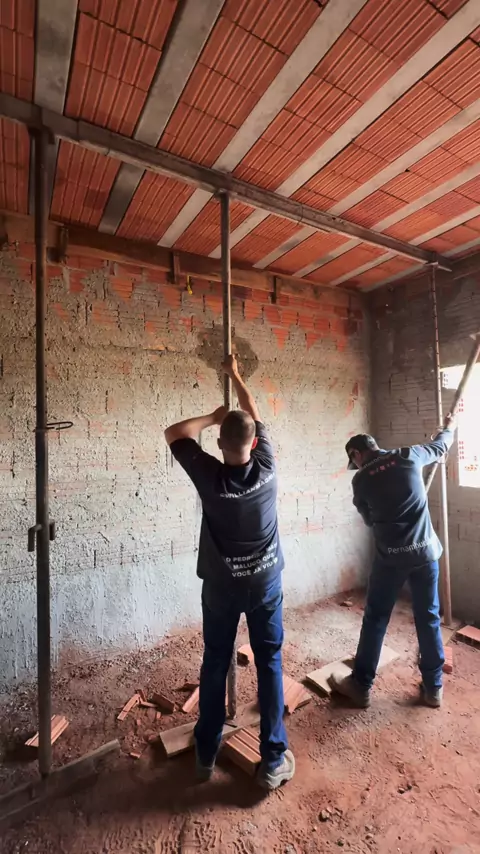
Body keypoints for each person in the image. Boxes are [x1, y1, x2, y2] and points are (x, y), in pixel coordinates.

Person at [164, 355, 294, 790]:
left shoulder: (210, 476)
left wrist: (213, 417)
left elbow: (174, 433)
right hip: (265, 583)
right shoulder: (268, 466)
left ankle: (206, 753)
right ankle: (273, 760)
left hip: (222, 588)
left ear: (220, 444)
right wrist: (236, 376)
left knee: (216, 660)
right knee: (270, 662)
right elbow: (253, 414)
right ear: (255, 444)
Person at [329, 420, 456, 710]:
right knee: (428, 617)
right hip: (425, 554)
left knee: (376, 618)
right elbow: (441, 446)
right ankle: (433, 688)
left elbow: (369, 520)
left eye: (354, 462)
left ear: (356, 454)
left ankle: (361, 686)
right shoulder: (409, 456)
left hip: (391, 559)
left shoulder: (361, 481)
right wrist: (445, 431)